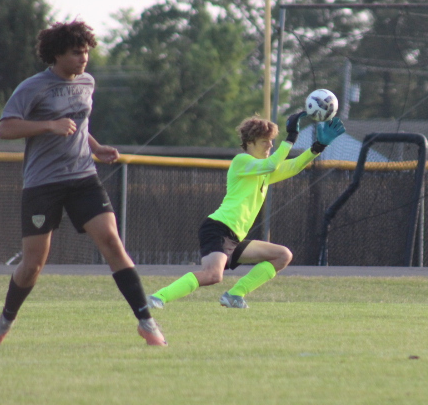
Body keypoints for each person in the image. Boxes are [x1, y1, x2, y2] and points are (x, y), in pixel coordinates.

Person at [0, 21, 167, 346]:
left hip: (82, 177)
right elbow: (6, 129)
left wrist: (95, 147)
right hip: (43, 184)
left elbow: (79, 122)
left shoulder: (87, 82)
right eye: (77, 52)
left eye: (86, 52)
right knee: (33, 264)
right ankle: (3, 322)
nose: (84, 58)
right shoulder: (33, 87)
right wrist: (48, 125)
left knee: (111, 242)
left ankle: (147, 322)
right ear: (57, 54)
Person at [147, 112, 345, 309]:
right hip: (219, 228)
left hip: (235, 237)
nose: (270, 145)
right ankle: (157, 297)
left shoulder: (264, 171)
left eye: (271, 141)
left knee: (282, 255)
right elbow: (271, 164)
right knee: (212, 275)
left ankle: (235, 295)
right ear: (250, 142)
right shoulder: (242, 161)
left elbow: (293, 166)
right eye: (264, 141)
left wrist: (319, 146)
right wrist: (291, 137)